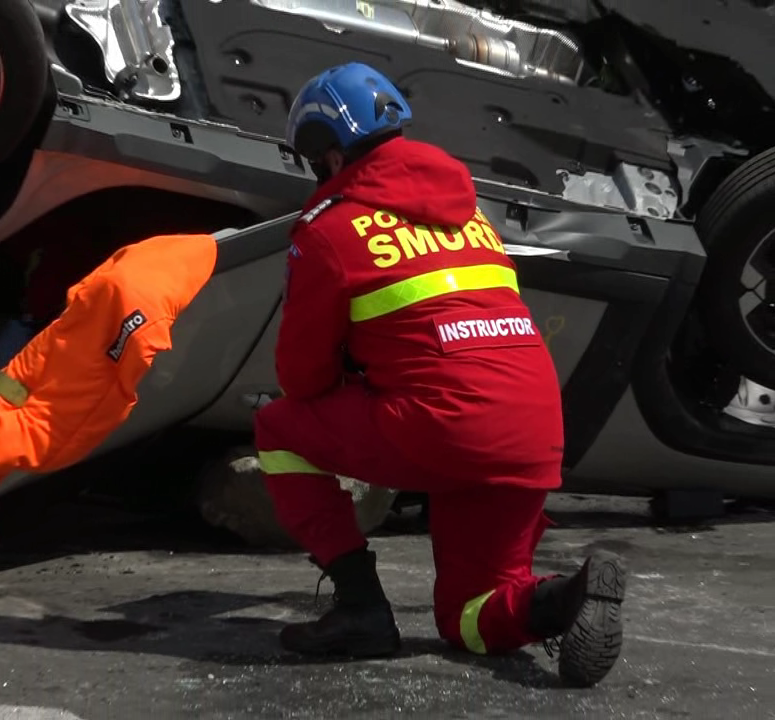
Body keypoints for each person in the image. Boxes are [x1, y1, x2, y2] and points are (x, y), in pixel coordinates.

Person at [254, 62, 628, 688]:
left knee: (278, 427)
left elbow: (302, 379)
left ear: (331, 155)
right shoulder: (471, 217)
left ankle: (360, 607)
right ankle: (566, 600)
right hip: (533, 434)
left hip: (443, 429)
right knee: (470, 620)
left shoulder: (329, 231)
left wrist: (357, 371)